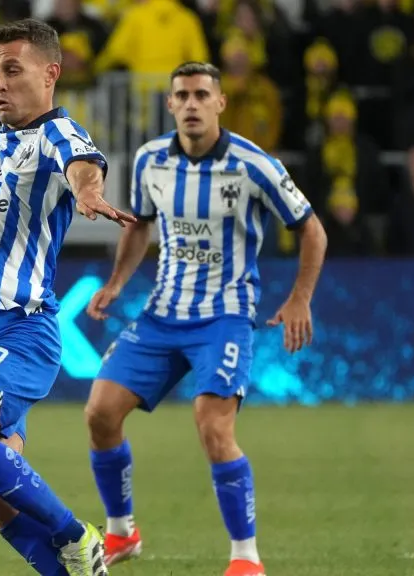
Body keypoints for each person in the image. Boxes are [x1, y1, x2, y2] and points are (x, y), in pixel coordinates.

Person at [83, 61, 328, 576]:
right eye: (182, 96)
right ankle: (122, 532)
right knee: (100, 412)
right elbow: (140, 226)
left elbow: (311, 229)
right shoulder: (150, 160)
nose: (191, 104)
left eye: (201, 95)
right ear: (170, 105)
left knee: (212, 426)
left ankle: (246, 558)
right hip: (161, 316)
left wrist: (301, 296)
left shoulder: (253, 165)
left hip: (226, 317)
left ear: (220, 103)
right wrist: (117, 283)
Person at [0, 19, 134, 576]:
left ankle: (76, 533)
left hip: (18, 328)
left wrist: (89, 190)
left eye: (13, 70)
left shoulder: (55, 136)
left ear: (51, 74)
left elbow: (83, 165)